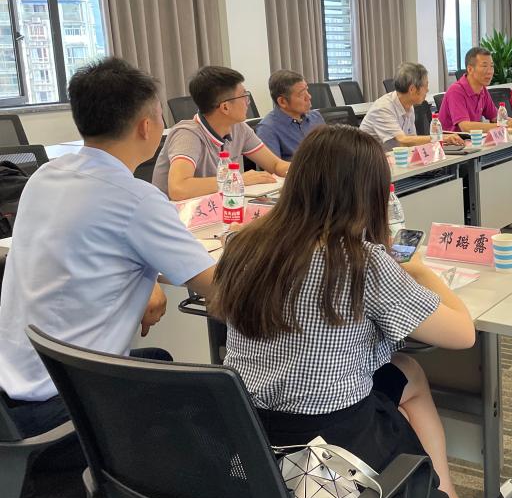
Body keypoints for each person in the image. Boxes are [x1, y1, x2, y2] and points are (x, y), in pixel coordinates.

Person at [211, 125, 481, 498]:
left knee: (406, 371)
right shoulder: (361, 261)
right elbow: (462, 334)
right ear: (369, 194)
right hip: (333, 474)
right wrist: (421, 271)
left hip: (247, 449)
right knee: (409, 375)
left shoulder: (243, 244)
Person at [0, 58, 217, 438]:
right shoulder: (136, 198)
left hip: (13, 390)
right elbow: (220, 286)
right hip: (60, 406)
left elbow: (83, 251)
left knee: (160, 360)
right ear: (146, 126)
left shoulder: (45, 176)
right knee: (209, 400)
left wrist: (145, 279)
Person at [153, 66, 289, 200]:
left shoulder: (239, 128)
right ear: (225, 107)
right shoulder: (187, 134)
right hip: (180, 212)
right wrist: (237, 179)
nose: (247, 102)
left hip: (221, 207)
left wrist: (300, 171)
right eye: (244, 96)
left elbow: (276, 165)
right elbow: (179, 188)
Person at [360, 62, 462, 148]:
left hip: (394, 159)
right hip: (370, 162)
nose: (427, 90)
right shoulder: (383, 108)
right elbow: (403, 140)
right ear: (412, 89)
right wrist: (440, 138)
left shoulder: (409, 105)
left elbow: (412, 140)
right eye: (425, 85)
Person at [438, 47, 512, 133]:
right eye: (484, 66)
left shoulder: (482, 90)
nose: (490, 71)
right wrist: (504, 125)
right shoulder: (456, 91)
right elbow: (465, 127)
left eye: (492, 66)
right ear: (470, 69)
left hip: (473, 139)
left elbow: (496, 117)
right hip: (452, 140)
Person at [256, 70, 326, 160]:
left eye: (307, 90)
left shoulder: (315, 117)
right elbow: (272, 167)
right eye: (302, 94)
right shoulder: (267, 129)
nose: (309, 96)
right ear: (282, 102)